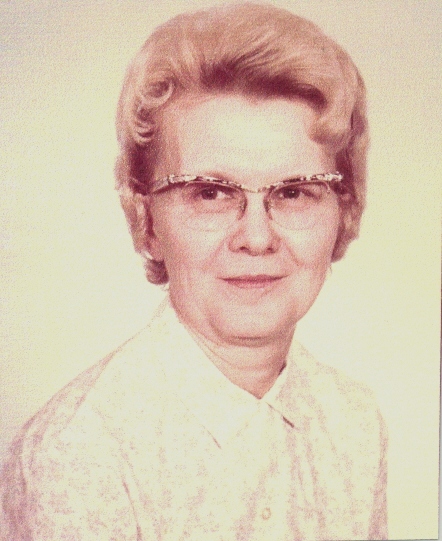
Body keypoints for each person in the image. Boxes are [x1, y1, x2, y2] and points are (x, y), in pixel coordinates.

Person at [0, 3, 388, 540]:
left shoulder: (354, 422)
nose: (256, 238)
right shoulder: (77, 454)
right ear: (147, 222)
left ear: (345, 211)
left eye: (295, 192)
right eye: (210, 193)